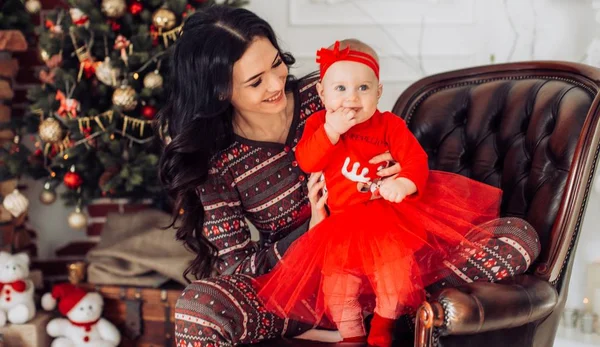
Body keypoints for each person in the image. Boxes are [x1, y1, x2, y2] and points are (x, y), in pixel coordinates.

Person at [158, 6, 541, 346]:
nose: (277, 83)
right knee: (199, 307)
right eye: (255, 81)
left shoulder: (328, 91)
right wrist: (309, 233)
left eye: (276, 63)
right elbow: (238, 268)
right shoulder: (213, 162)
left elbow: (387, 139)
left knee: (517, 237)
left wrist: (396, 172)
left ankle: (389, 317)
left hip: (384, 254)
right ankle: (370, 320)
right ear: (219, 91)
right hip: (304, 288)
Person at [255, 39, 504, 347]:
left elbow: (416, 161)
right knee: (338, 286)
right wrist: (331, 131)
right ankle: (352, 335)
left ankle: (383, 327)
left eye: (363, 88)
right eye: (341, 89)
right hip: (341, 225)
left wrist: (403, 184)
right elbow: (308, 160)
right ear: (322, 93)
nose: (352, 99)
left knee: (394, 278)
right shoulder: (319, 123)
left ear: (378, 92)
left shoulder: (389, 125)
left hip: (386, 217)